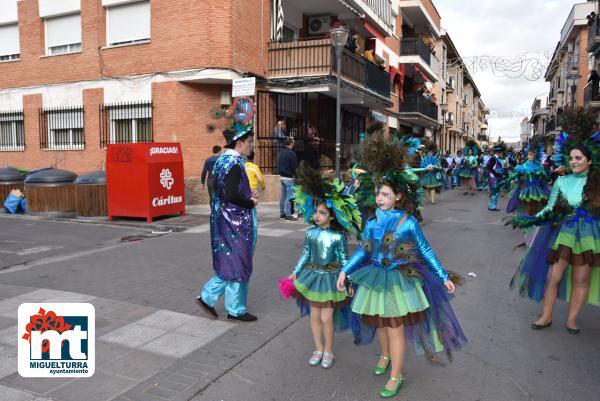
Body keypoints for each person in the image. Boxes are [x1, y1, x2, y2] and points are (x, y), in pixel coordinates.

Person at [337, 135, 466, 399]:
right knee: (381, 322)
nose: (380, 197)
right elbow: (364, 250)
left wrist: (443, 276)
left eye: (385, 194)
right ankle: (384, 356)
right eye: (378, 193)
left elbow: (426, 250)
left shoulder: (408, 223)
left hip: (399, 278)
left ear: (397, 196)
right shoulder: (372, 222)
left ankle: (397, 374)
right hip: (374, 276)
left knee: (394, 325)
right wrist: (345, 270)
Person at [510, 130, 600, 334]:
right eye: (571, 158)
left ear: (589, 161)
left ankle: (572, 319)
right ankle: (546, 316)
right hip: (564, 232)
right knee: (552, 277)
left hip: (588, 235)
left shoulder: (596, 184)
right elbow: (551, 206)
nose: (574, 161)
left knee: (581, 279)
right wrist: (535, 218)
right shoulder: (562, 181)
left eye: (579, 158)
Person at [287, 163, 362, 369]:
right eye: (316, 212)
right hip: (312, 276)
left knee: (327, 317)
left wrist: (348, 280)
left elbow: (345, 260)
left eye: (322, 213)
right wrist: (295, 273)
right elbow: (305, 255)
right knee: (314, 315)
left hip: (330, 278)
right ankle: (318, 348)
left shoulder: (338, 237)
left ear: (332, 215)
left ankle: (329, 350)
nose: (317, 216)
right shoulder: (310, 233)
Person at [196, 101, 259, 322]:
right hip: (235, 223)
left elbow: (222, 193)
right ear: (240, 143)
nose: (252, 146)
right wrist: (250, 202)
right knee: (238, 263)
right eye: (250, 142)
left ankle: (214, 300)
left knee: (232, 263)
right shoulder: (233, 163)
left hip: (226, 220)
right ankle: (234, 309)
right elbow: (231, 194)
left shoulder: (222, 160)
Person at [494, 136, 551, 217]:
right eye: (529, 154)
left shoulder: (538, 166)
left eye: (532, 155)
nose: (530, 156)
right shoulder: (524, 165)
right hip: (526, 187)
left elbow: (545, 176)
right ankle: (527, 218)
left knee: (535, 204)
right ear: (527, 155)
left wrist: (542, 174)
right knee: (527, 204)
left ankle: (533, 218)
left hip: (536, 187)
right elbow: (517, 173)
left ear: (535, 155)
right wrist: (511, 173)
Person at [278, 137, 298, 220]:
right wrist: (297, 175)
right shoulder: (291, 153)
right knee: (289, 197)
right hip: (289, 178)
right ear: (291, 144)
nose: (293, 144)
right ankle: (289, 215)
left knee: (283, 196)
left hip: (282, 177)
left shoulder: (281, 153)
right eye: (293, 142)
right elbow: (294, 167)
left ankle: (282, 213)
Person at [487, 142, 507, 211]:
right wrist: (496, 174)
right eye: (501, 153)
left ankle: (491, 205)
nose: (502, 154)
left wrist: (501, 174)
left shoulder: (497, 159)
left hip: (496, 177)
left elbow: (498, 168)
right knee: (495, 191)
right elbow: (489, 167)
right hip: (493, 177)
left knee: (495, 191)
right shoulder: (493, 159)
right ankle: (492, 206)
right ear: (498, 153)